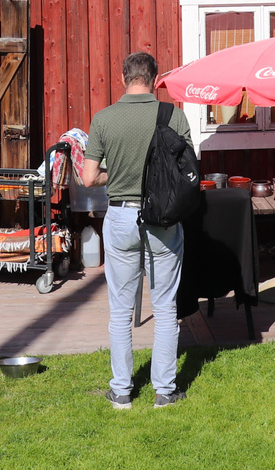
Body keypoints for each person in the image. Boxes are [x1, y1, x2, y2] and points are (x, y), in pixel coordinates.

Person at [78, 50, 194, 409]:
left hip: (121, 219)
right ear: (155, 79)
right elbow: (188, 174)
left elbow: (88, 177)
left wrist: (120, 175)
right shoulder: (174, 116)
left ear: (123, 78)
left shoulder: (104, 119)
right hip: (162, 221)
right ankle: (164, 391)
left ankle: (122, 392)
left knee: (120, 310)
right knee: (164, 307)